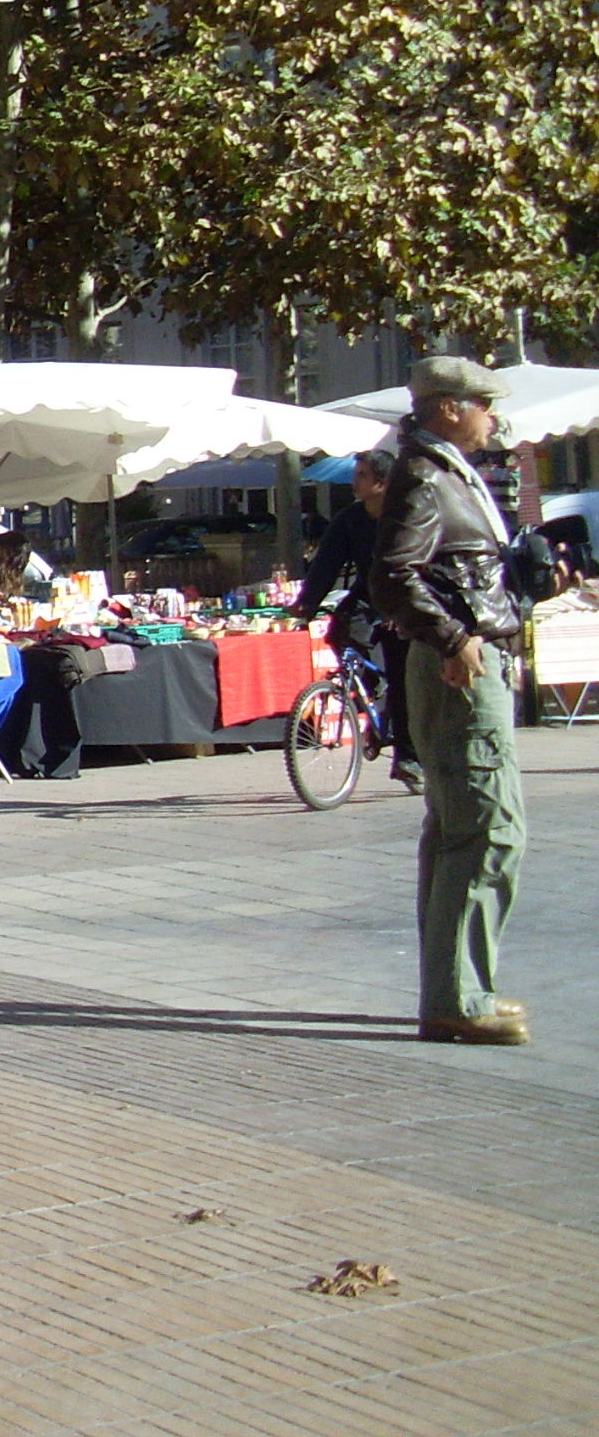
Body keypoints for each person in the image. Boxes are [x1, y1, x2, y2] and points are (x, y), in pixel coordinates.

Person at [369, 358, 530, 1047]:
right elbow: (392, 577)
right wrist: (454, 638)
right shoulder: (426, 476)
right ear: (449, 408)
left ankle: (459, 987)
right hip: (457, 669)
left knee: (460, 827)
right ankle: (458, 997)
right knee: (487, 827)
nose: (493, 417)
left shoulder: (441, 470)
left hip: (460, 661)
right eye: (484, 405)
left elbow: (438, 571)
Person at [292, 450, 422, 792]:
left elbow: (419, 564)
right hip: (369, 594)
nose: (355, 481)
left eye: (362, 475)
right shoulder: (350, 519)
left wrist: (404, 608)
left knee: (401, 674)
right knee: (340, 632)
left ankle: (408, 758)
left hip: (407, 596)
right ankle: (369, 689)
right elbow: (326, 564)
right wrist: (306, 603)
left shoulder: (405, 516)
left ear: (382, 482)